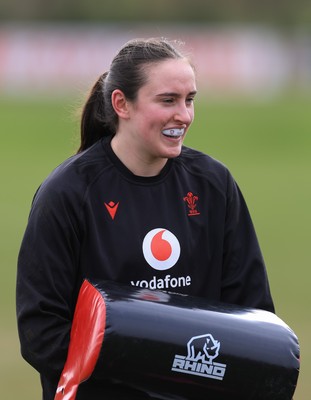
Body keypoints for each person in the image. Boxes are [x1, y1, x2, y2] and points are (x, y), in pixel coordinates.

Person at [16, 37, 275, 400]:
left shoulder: (213, 185)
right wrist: (145, 379)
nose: (183, 115)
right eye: (168, 100)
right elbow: (40, 331)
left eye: (190, 100)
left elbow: (253, 313)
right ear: (122, 103)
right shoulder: (69, 193)